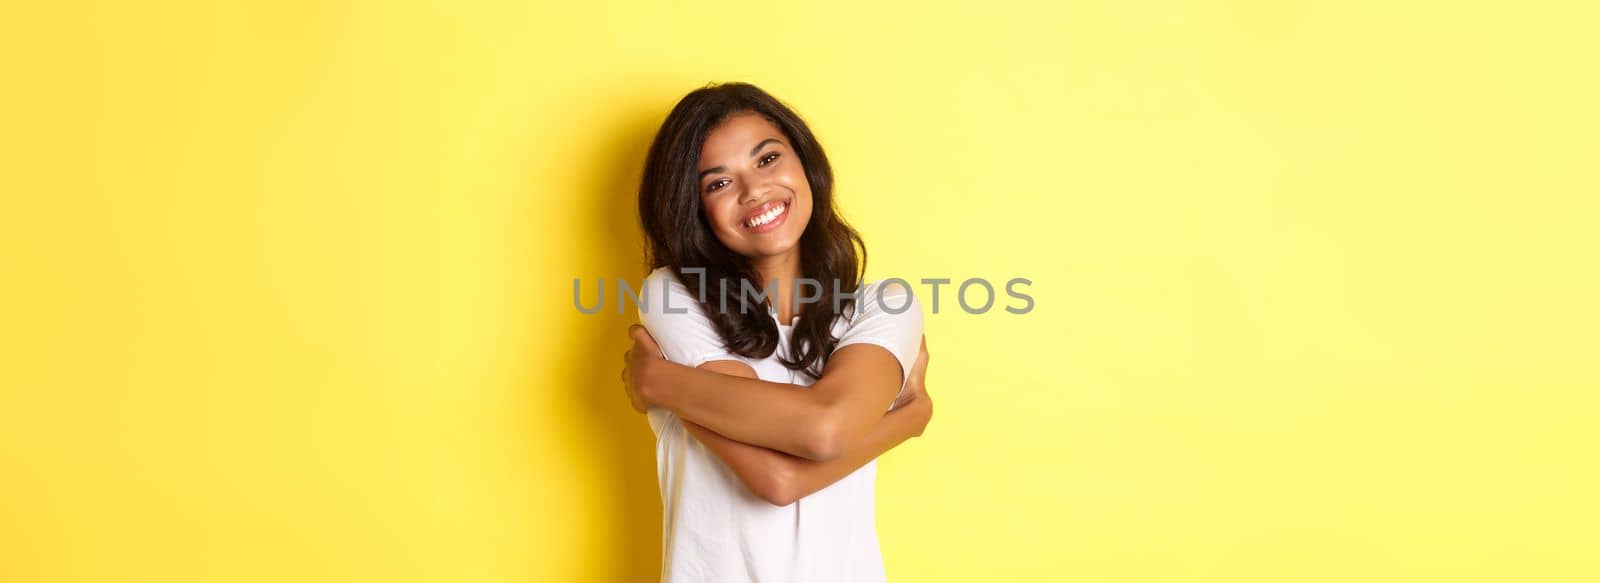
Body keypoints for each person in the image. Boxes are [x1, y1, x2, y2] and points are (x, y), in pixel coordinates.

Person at [620, 82, 934, 582]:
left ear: (805, 163)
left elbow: (821, 434)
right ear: (694, 209)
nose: (754, 191)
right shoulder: (674, 295)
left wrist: (659, 384)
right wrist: (909, 417)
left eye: (767, 160)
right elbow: (776, 477)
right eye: (718, 184)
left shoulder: (883, 306)